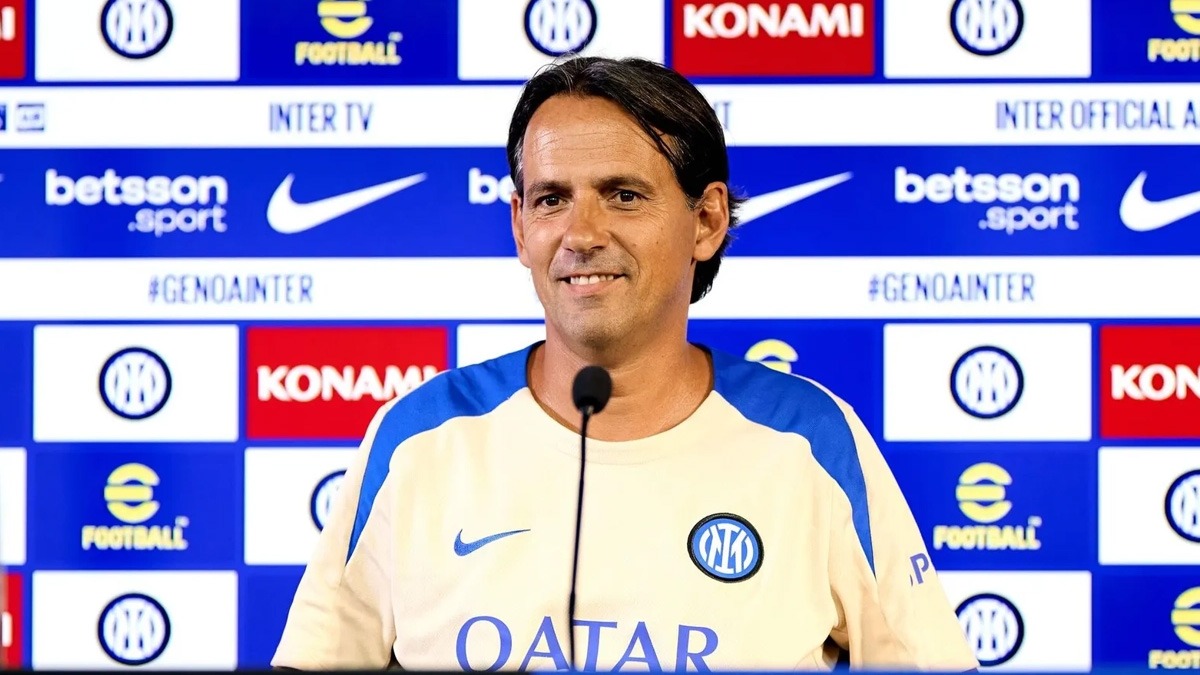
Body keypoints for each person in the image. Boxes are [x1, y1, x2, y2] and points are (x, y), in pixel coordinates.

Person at [271, 55, 978, 672]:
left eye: (623, 196)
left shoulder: (811, 440)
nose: (581, 233)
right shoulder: (420, 437)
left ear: (707, 221)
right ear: (519, 226)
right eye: (552, 199)